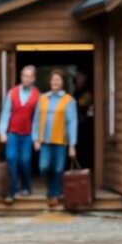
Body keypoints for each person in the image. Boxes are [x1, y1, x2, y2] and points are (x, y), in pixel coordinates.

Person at [33, 69, 77, 207]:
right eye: (53, 79)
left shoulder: (69, 100)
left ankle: (54, 195)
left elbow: (72, 123)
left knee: (58, 170)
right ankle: (51, 188)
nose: (55, 82)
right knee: (44, 167)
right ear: (50, 81)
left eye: (58, 79)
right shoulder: (42, 98)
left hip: (60, 141)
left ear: (62, 82)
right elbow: (36, 120)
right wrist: (35, 139)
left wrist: (72, 145)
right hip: (44, 140)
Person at [0, 64, 40, 204]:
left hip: (27, 134)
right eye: (24, 76)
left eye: (29, 76)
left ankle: (26, 187)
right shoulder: (12, 93)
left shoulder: (37, 95)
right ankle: (13, 189)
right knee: (11, 158)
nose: (26, 79)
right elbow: (5, 114)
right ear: (21, 77)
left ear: (33, 79)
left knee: (25, 161)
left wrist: (36, 139)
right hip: (13, 133)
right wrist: (2, 132)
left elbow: (37, 119)